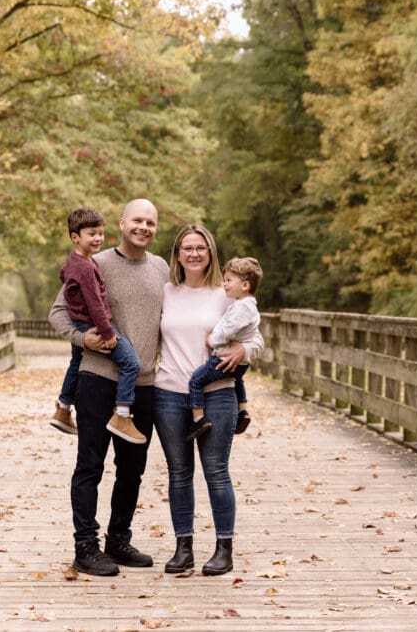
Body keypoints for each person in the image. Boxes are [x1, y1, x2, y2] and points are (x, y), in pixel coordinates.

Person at [47, 199, 168, 577]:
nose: (143, 227)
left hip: (143, 384)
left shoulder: (162, 268)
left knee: (132, 469)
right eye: (137, 220)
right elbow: (58, 313)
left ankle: (118, 540)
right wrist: (84, 341)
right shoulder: (94, 263)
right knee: (90, 467)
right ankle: (86, 546)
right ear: (122, 223)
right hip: (99, 380)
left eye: (150, 222)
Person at [154, 224, 264, 576]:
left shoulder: (227, 294)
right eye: (187, 247)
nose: (194, 253)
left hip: (217, 394)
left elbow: (256, 340)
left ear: (210, 252)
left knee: (216, 471)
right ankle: (183, 547)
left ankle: (223, 548)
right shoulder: (165, 292)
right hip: (169, 392)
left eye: (200, 247)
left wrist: (244, 350)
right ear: (177, 253)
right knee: (179, 473)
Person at [51, 207, 143, 444]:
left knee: (76, 362)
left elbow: (64, 275)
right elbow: (95, 304)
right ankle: (122, 415)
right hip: (92, 325)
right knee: (131, 363)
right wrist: (107, 332)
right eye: (92, 234)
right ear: (75, 237)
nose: (98, 238)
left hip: (79, 321)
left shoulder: (75, 262)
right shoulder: (86, 268)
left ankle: (62, 408)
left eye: (101, 233)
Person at [186, 257, 263, 441]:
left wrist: (211, 340)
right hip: (238, 364)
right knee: (237, 379)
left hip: (223, 359)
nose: (224, 284)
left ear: (245, 285)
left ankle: (198, 419)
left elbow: (230, 331)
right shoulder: (246, 304)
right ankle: (243, 411)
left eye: (228, 280)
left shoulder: (241, 307)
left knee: (196, 381)